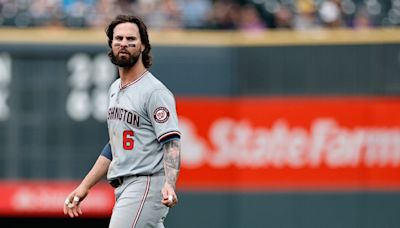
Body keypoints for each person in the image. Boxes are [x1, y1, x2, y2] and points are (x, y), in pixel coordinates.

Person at [63, 15, 181, 228]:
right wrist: (85, 186)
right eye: (118, 38)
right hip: (124, 186)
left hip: (145, 182)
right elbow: (114, 146)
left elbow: (171, 142)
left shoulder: (154, 92)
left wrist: (169, 184)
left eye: (131, 39)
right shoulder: (114, 88)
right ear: (111, 44)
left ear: (143, 45)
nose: (124, 43)